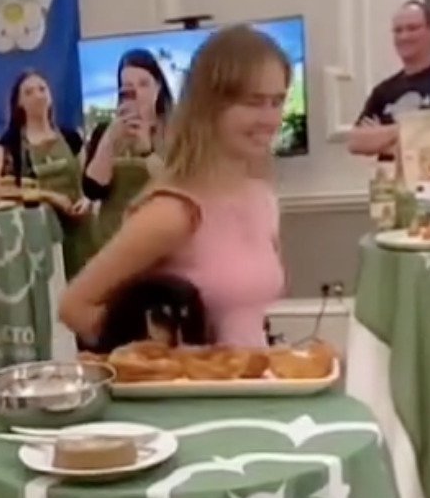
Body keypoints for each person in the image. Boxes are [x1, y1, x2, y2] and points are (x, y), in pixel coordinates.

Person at [60, 24, 287, 348]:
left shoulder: (261, 198)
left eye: (277, 101)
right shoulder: (175, 211)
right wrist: (162, 361)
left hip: (257, 376)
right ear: (211, 106)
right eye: (254, 102)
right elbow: (74, 307)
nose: (270, 119)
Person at [0, 71, 98, 279]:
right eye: (29, 92)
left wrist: (86, 201)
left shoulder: (71, 137)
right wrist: (50, 196)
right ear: (19, 103)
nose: (38, 95)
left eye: (42, 89)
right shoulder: (10, 145)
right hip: (39, 235)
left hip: (80, 230)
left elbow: (89, 180)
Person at [83, 49, 173, 244]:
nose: (137, 93)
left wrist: (147, 151)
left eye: (144, 84)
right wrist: (110, 140)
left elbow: (176, 187)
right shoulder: (106, 131)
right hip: (113, 239)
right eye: (128, 88)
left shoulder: (177, 131)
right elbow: (93, 190)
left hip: (162, 238)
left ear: (158, 87)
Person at [348, 0, 430, 156]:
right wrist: (417, 129)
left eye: (412, 28)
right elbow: (356, 142)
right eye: (398, 31)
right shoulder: (383, 91)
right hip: (388, 172)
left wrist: (381, 136)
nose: (404, 36)